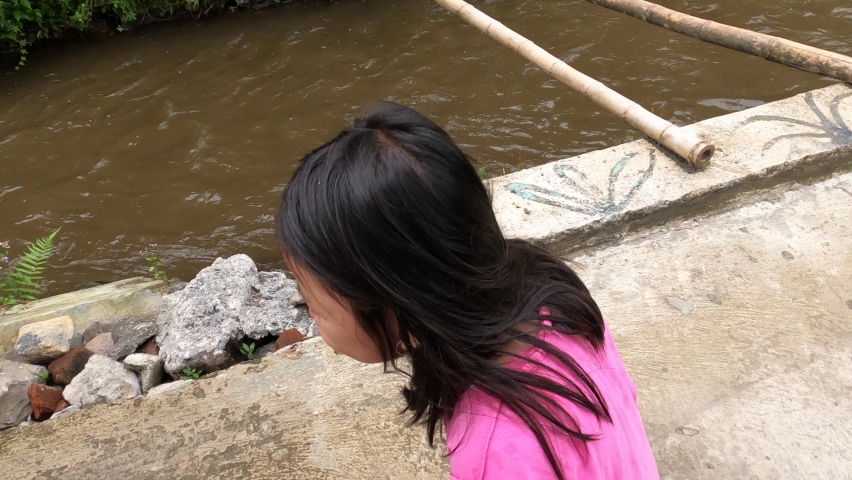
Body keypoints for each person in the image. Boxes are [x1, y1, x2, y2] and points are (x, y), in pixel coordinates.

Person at [275, 102, 659, 480]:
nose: (311, 314)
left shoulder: (495, 452)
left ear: (406, 309)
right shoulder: (551, 292)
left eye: (315, 304)